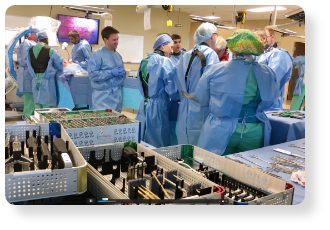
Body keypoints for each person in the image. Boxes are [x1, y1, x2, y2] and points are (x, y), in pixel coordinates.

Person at [196, 29, 280, 156]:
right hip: (254, 130)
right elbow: (272, 100)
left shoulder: (216, 70)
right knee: (246, 171)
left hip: (221, 129)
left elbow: (202, 97)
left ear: (232, 47)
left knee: (214, 170)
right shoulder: (268, 72)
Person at [176, 22, 219, 145]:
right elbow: (213, 83)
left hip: (184, 105)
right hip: (200, 106)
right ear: (211, 36)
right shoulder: (211, 55)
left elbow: (177, 79)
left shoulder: (186, 54)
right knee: (198, 143)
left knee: (183, 138)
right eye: (215, 35)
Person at [135, 34, 179, 148]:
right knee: (158, 140)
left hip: (144, 104)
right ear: (163, 47)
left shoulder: (144, 60)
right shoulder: (164, 61)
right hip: (158, 108)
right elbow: (172, 87)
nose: (172, 51)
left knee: (143, 136)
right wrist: (177, 97)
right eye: (170, 47)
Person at [252, 28, 293, 110]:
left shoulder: (277, 55)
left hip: (269, 103)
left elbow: (271, 80)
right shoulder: (258, 54)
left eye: (255, 39)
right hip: (254, 100)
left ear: (264, 39)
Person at [88, 26, 126, 112]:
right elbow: (92, 75)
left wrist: (123, 74)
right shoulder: (97, 55)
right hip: (102, 97)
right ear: (105, 40)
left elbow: (120, 75)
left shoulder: (118, 56)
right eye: (114, 40)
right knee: (103, 122)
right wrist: (111, 73)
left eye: (117, 39)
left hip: (117, 96)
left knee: (116, 122)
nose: (117, 42)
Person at [26, 31, 64, 109]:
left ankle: (38, 121)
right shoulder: (50, 50)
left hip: (35, 80)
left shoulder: (30, 50)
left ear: (38, 39)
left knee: (37, 106)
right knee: (47, 107)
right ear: (46, 39)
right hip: (47, 81)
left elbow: (29, 65)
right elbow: (59, 65)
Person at [16, 27, 40, 117]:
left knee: (32, 100)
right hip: (27, 73)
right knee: (29, 100)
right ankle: (28, 122)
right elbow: (27, 60)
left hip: (29, 73)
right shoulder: (27, 43)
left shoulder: (32, 43)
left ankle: (31, 120)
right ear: (34, 34)